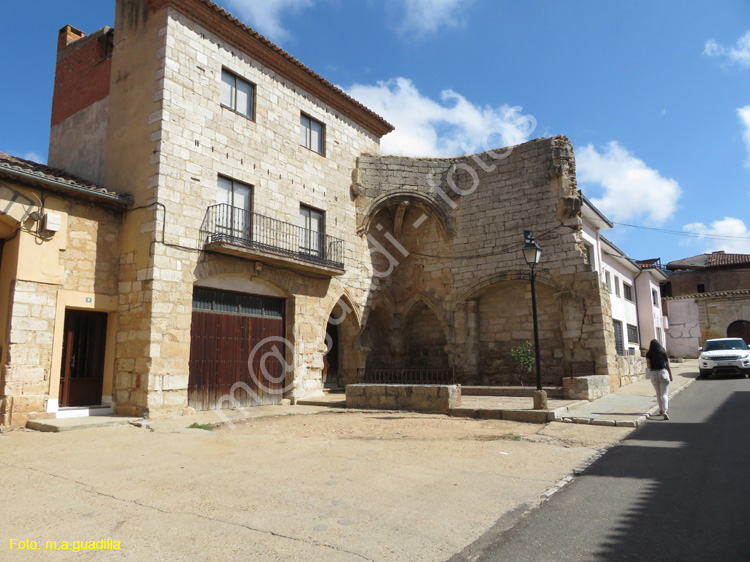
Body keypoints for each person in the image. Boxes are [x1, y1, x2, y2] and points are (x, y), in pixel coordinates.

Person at [645, 339, 672, 420]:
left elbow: (648, 365)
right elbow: (667, 365)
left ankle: (660, 409)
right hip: (663, 373)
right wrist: (670, 375)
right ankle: (665, 410)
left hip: (653, 374)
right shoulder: (663, 352)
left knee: (658, 393)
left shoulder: (649, 354)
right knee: (664, 393)